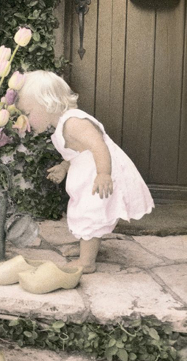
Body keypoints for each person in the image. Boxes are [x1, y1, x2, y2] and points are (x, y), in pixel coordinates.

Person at [16, 70, 154, 273]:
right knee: (83, 211)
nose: (25, 120)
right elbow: (76, 153)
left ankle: (87, 262)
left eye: (27, 113)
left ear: (47, 103)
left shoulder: (74, 122)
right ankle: (86, 249)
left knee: (90, 213)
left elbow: (99, 146)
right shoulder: (61, 126)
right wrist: (64, 167)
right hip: (89, 173)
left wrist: (104, 174)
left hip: (100, 174)